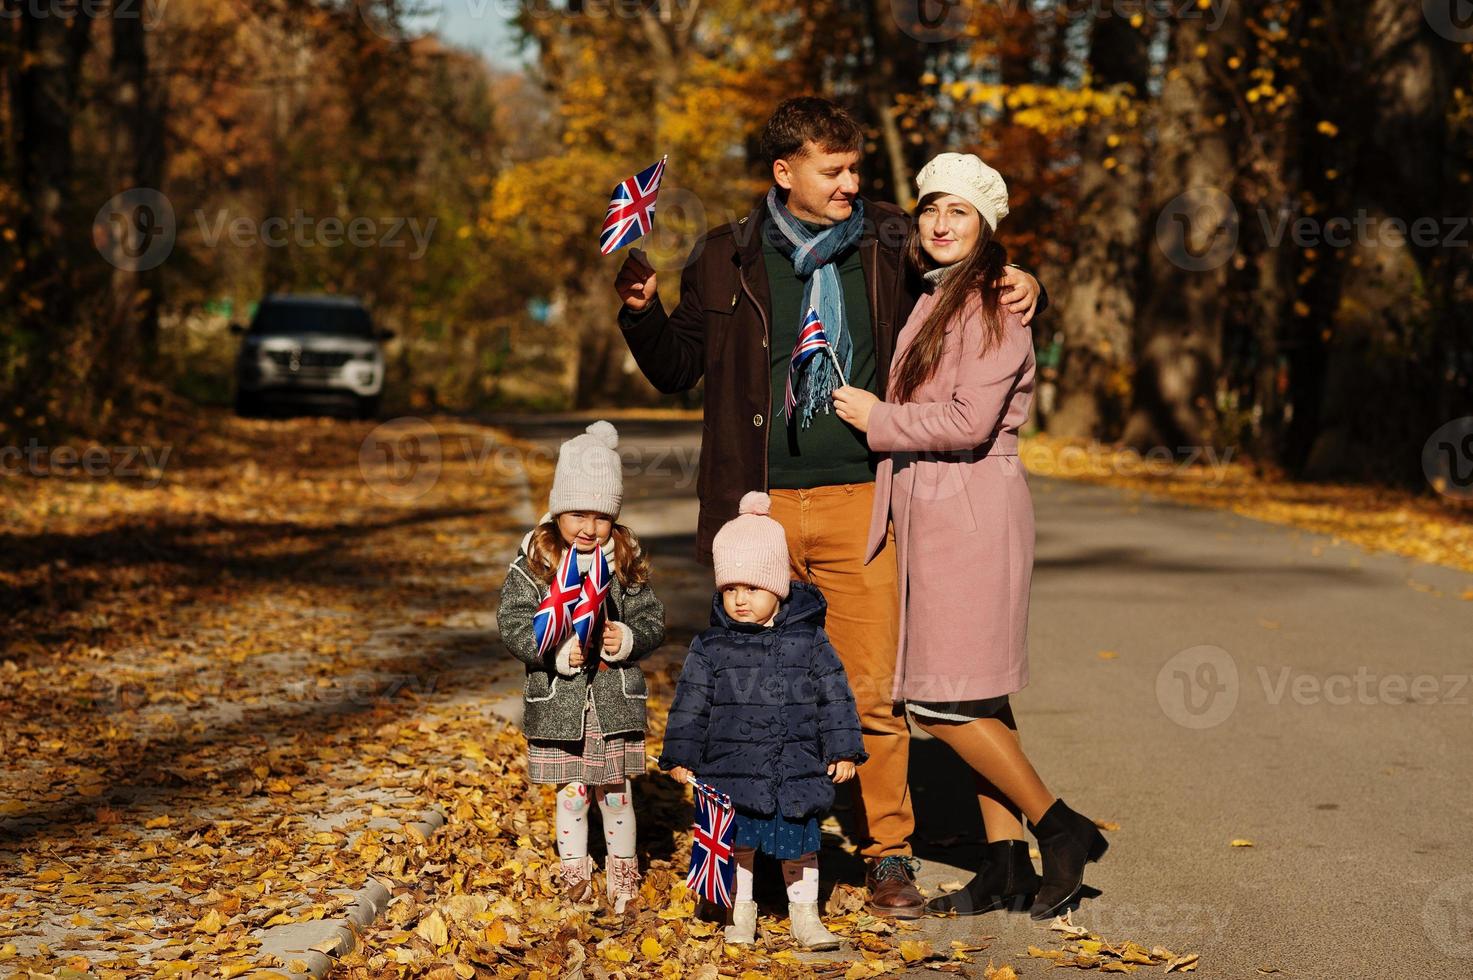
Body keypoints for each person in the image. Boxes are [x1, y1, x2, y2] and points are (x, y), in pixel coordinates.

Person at [614, 95, 1046, 918]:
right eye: (833, 170)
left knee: (872, 691)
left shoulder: (887, 237)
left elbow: (971, 270)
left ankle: (886, 854)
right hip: (760, 507)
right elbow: (676, 368)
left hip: (864, 499)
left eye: (855, 169)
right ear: (786, 173)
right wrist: (640, 317)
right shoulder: (722, 256)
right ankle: (761, 844)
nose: (850, 184)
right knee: (760, 688)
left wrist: (1027, 280)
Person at [833, 153, 1109, 921]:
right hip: (932, 508)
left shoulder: (989, 306)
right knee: (975, 690)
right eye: (930, 210)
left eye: (958, 210)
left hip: (969, 511)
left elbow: (967, 421)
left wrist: (875, 419)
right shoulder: (938, 294)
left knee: (939, 701)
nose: (941, 222)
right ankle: (1003, 867)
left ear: (986, 224)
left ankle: (1061, 828)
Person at [659, 491, 867, 949]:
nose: (739, 600)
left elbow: (835, 696)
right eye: (730, 589)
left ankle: (805, 915)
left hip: (796, 765)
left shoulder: (810, 642)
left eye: (751, 588)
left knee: (800, 844)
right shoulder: (711, 647)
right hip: (732, 766)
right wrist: (680, 755)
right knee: (741, 845)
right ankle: (741, 912)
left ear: (777, 587)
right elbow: (691, 705)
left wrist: (844, 747)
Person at [497, 421, 667, 915]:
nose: (589, 528)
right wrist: (548, 651)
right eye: (577, 514)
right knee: (573, 794)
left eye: (601, 516)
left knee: (616, 794)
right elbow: (511, 622)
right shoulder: (538, 559)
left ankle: (623, 874)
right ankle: (575, 873)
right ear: (556, 510)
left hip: (611, 703)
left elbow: (651, 617)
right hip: (563, 705)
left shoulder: (623, 559)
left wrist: (630, 637)